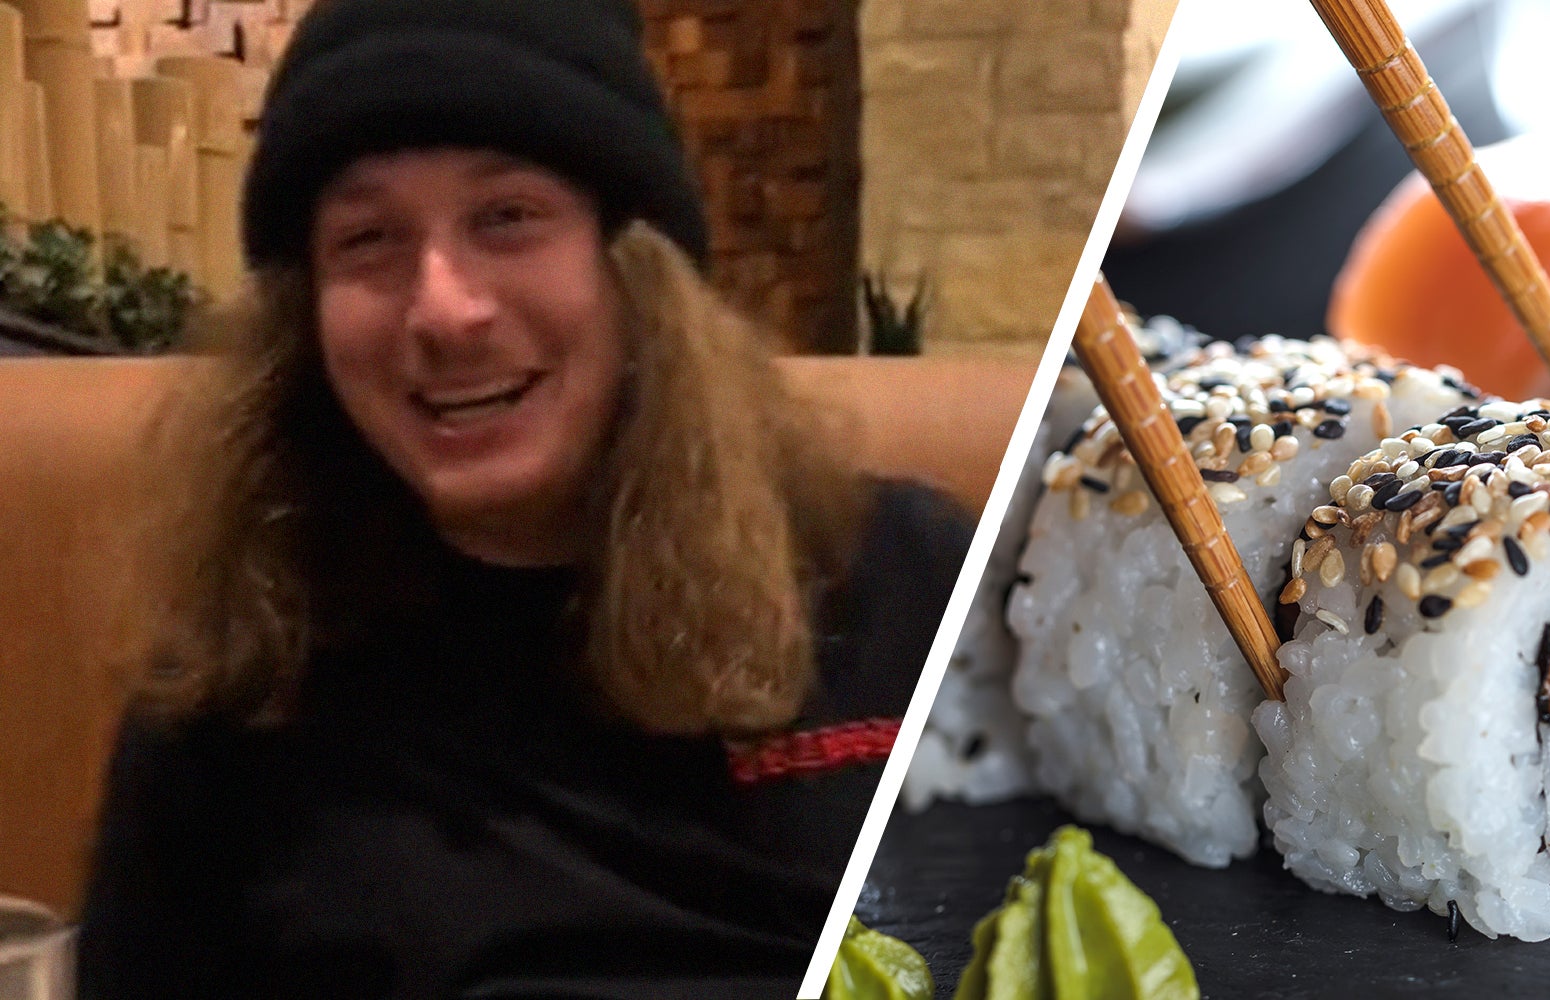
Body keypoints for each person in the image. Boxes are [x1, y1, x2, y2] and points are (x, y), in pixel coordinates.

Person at [76, 1, 972, 996]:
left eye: (507, 218)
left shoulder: (912, 585)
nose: (444, 308)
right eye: (368, 239)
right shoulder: (233, 697)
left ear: (634, 270)